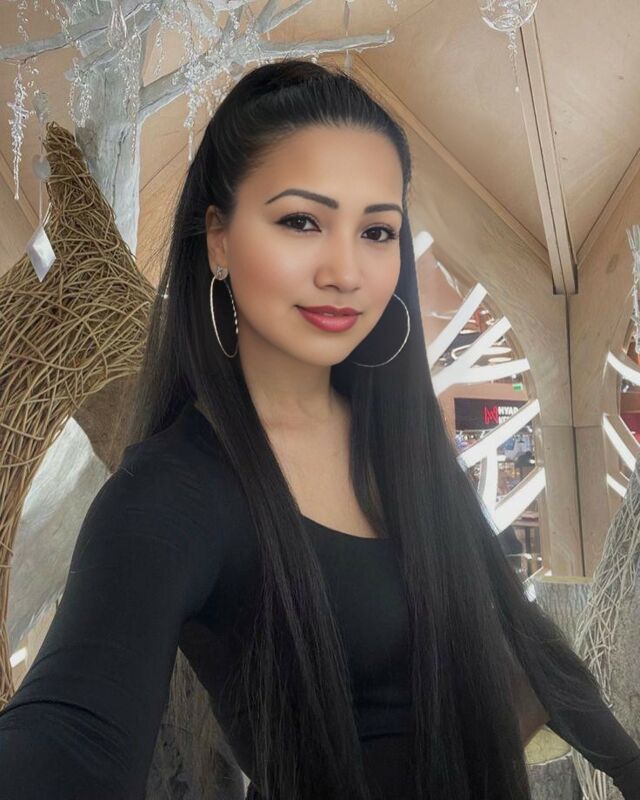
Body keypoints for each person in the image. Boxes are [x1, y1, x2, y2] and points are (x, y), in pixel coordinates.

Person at [0, 59, 639, 800]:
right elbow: (75, 730)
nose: (345, 271)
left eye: (376, 231)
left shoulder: (401, 444)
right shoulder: (170, 494)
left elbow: (523, 638)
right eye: (302, 221)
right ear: (217, 237)